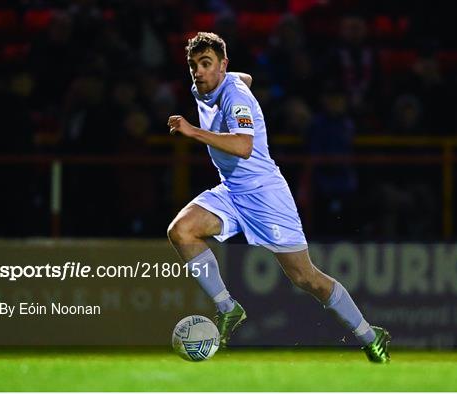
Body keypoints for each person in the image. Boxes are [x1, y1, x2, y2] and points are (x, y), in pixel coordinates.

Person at [166, 32, 391, 363]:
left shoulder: (234, 96)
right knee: (181, 230)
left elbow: (243, 146)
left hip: (265, 194)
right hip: (231, 190)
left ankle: (370, 336)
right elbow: (247, 76)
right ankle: (229, 308)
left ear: (222, 65)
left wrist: (193, 131)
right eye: (193, 65)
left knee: (305, 277)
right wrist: (233, 78)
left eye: (206, 64)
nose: (198, 72)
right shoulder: (204, 87)